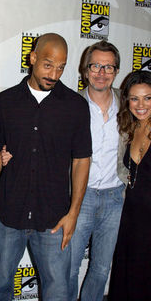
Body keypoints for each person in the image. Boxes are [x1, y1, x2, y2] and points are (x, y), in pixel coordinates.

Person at [0, 33, 92, 300]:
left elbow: (81, 160)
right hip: (10, 213)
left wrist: (73, 213)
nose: (54, 74)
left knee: (57, 288)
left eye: (61, 67)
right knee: (1, 283)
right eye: (48, 64)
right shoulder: (5, 102)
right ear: (33, 58)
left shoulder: (76, 107)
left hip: (54, 218)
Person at [69, 40, 127, 301]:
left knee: (102, 269)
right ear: (85, 69)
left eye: (108, 67)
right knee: (68, 268)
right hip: (80, 197)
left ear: (116, 72)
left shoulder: (128, 107)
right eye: (96, 66)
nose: (101, 73)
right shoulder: (69, 106)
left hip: (115, 197)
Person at [108, 70, 151, 301]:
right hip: (131, 215)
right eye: (134, 98)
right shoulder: (130, 128)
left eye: (148, 98)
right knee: (128, 277)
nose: (141, 104)